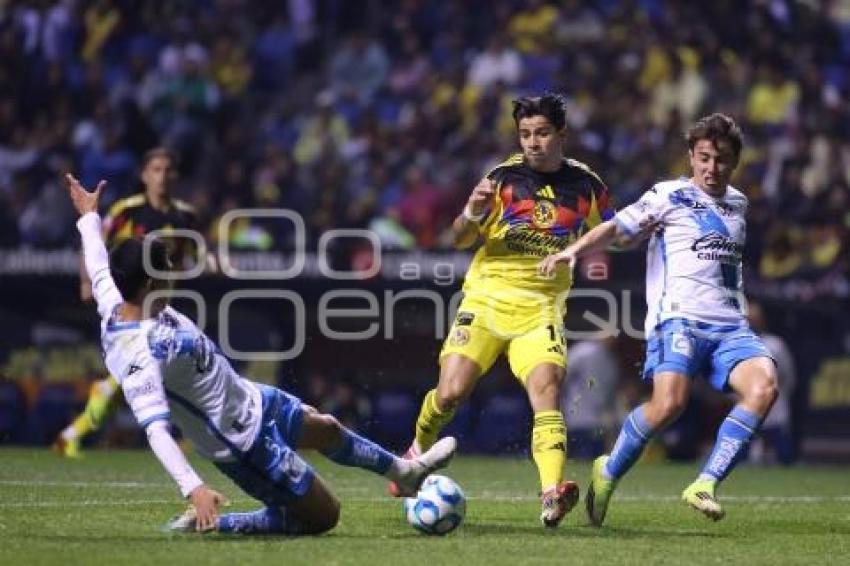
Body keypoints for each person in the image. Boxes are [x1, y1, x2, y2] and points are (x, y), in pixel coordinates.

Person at [62, 172, 457, 534]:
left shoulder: (118, 295)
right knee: (325, 516)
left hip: (251, 397)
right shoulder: (138, 353)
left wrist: (89, 216)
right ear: (150, 283)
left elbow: (97, 262)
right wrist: (194, 488)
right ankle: (215, 524)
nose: (176, 274)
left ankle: (405, 474)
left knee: (328, 428)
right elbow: (156, 431)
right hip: (240, 440)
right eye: (169, 269)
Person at [540, 113, 779, 524]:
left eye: (721, 159)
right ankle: (609, 470)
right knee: (669, 404)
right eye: (704, 157)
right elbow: (616, 227)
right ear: (691, 156)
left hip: (730, 326)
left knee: (764, 388)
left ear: (734, 162)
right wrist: (573, 252)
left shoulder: (739, 203)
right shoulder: (668, 195)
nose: (712, 167)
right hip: (679, 320)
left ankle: (704, 483)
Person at [391, 94, 615, 528]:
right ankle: (416, 452)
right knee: (451, 393)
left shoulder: (588, 186)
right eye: (525, 134)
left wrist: (582, 249)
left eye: (542, 133)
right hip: (486, 302)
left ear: (561, 134)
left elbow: (616, 230)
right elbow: (458, 239)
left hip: (541, 310)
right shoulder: (501, 179)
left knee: (546, 389)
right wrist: (471, 213)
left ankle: (551, 493)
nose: (533, 142)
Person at [54, 148, 198, 458]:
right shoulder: (127, 211)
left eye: (168, 170)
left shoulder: (186, 215)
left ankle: (72, 433)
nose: (163, 176)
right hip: (129, 305)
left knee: (138, 375)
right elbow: (93, 244)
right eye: (156, 169)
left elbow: (190, 260)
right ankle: (186, 434)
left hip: (162, 306)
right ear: (145, 175)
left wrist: (215, 261)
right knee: (149, 371)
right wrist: (85, 281)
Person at [747, 300, 796, 465]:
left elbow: (788, 374)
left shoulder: (775, 344)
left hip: (775, 405)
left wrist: (781, 394)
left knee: (782, 452)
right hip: (746, 405)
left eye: (755, 319)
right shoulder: (737, 344)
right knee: (748, 454)